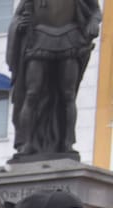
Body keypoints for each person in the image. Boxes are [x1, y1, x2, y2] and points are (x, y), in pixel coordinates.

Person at [7, 0, 101, 159]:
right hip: (39, 39)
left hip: (70, 39)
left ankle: (67, 142)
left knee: (68, 95)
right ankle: (27, 142)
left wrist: (93, 21)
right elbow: (18, 16)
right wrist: (20, 25)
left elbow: (95, 11)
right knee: (31, 94)